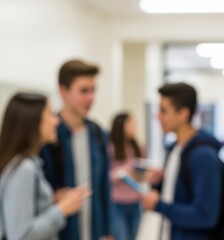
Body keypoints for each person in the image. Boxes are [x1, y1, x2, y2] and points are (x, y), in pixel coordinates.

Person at [0, 92, 90, 240]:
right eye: (50, 115)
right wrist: (61, 209)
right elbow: (21, 235)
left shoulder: (24, 164)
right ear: (33, 122)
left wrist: (52, 199)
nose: (56, 121)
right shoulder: (24, 169)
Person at [40, 59, 112, 240]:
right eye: (83, 91)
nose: (91, 98)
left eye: (93, 90)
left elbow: (104, 186)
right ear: (63, 91)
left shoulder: (98, 134)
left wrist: (108, 231)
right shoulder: (48, 136)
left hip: (93, 231)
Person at [140, 82, 223, 240]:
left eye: (163, 111)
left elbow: (205, 215)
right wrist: (159, 183)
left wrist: (158, 205)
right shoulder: (174, 149)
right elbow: (177, 196)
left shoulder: (203, 156)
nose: (158, 116)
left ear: (184, 114)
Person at [108, 112, 146, 240]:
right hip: (117, 203)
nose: (134, 127)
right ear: (121, 126)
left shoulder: (138, 148)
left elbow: (141, 178)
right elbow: (107, 178)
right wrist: (124, 170)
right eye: (130, 124)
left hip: (135, 202)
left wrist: (142, 172)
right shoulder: (110, 148)